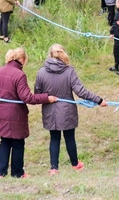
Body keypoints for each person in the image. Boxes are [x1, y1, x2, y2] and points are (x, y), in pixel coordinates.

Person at [34, 44, 107, 174]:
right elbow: (81, 92)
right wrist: (99, 100)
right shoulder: (69, 71)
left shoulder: (41, 72)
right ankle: (75, 164)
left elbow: (37, 93)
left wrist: (47, 97)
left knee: (54, 138)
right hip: (67, 111)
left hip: (50, 111)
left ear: (50, 54)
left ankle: (54, 168)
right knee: (69, 138)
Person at [0, 48, 57, 178]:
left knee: (4, 141)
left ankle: (0, 173)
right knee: (18, 143)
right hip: (14, 115)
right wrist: (46, 98)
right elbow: (27, 97)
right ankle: (18, 173)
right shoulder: (19, 75)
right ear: (22, 60)